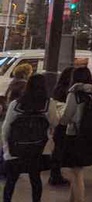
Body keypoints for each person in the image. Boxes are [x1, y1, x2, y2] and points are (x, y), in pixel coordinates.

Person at [2, 74, 59, 202]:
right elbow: (54, 123)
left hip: (16, 149)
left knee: (11, 180)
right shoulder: (48, 104)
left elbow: (6, 129)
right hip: (38, 148)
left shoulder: (16, 104)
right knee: (35, 179)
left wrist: (7, 148)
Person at [60, 66, 92, 202]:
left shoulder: (74, 94)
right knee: (77, 171)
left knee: (77, 173)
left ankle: (79, 199)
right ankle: (73, 199)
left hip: (74, 134)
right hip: (89, 134)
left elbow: (66, 117)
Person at [49, 67, 73, 187]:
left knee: (57, 149)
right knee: (60, 149)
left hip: (57, 122)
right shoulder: (69, 91)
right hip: (65, 123)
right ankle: (56, 175)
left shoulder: (57, 89)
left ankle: (55, 173)